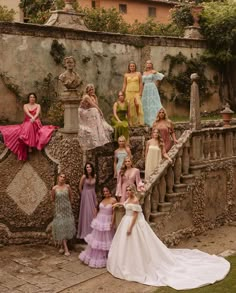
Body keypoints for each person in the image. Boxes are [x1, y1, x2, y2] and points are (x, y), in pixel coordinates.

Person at [107, 184, 230, 290]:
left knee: (138, 245)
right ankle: (126, 264)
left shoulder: (135, 200)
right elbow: (125, 204)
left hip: (132, 224)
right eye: (127, 190)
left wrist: (130, 228)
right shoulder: (128, 199)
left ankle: (138, 266)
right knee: (126, 246)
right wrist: (118, 204)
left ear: (133, 191)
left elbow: (135, 215)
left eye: (129, 190)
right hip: (125, 221)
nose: (128, 191)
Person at [0, 93, 57, 160]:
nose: (32, 98)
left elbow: (37, 113)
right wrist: (32, 118)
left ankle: (26, 140)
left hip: (36, 121)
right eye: (30, 97)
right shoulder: (25, 105)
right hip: (27, 121)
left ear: (35, 98)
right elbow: (27, 113)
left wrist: (33, 118)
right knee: (29, 124)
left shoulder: (38, 105)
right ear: (29, 98)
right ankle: (29, 144)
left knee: (31, 123)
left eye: (33, 97)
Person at [79, 186, 117, 268]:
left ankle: (106, 258)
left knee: (106, 241)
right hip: (100, 220)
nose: (105, 193)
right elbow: (96, 209)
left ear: (110, 191)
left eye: (107, 191)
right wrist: (95, 216)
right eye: (104, 192)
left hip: (107, 221)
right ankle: (94, 258)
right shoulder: (101, 200)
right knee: (97, 241)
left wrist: (112, 222)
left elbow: (114, 213)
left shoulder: (113, 200)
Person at [78, 84, 113, 151]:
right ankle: (98, 132)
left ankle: (100, 133)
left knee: (95, 111)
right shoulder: (86, 96)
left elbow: (96, 105)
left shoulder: (93, 96)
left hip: (90, 111)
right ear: (87, 90)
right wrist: (100, 111)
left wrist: (96, 98)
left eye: (92, 89)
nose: (91, 91)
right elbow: (93, 105)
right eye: (90, 90)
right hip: (83, 112)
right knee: (95, 110)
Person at [51, 173, 76, 256]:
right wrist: (58, 207)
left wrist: (68, 206)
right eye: (61, 176)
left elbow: (71, 198)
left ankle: (61, 246)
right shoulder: (54, 188)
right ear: (58, 178)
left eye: (64, 177)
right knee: (61, 227)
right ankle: (66, 248)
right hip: (59, 210)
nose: (62, 178)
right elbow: (53, 199)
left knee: (66, 227)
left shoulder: (67, 187)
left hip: (67, 210)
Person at [77, 162, 97, 240]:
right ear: (85, 169)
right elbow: (80, 187)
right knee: (87, 214)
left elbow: (94, 187)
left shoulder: (95, 176)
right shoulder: (84, 176)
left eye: (90, 167)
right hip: (85, 196)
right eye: (87, 167)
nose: (88, 168)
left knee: (94, 213)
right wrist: (83, 195)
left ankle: (93, 233)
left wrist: (95, 197)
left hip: (92, 195)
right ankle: (86, 234)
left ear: (92, 168)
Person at [142, 60, 164, 126]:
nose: (148, 64)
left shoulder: (153, 71)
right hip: (145, 88)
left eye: (150, 63)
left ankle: (156, 119)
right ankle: (146, 120)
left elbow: (161, 77)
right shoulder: (144, 73)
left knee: (154, 103)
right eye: (147, 63)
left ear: (151, 65)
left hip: (152, 88)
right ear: (146, 64)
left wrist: (156, 72)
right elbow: (142, 83)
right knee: (146, 103)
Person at [122, 61, 144, 127]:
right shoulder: (126, 75)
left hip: (136, 92)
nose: (132, 67)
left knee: (138, 104)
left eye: (133, 66)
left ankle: (139, 121)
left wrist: (140, 92)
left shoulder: (138, 73)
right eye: (131, 66)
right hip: (128, 92)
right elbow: (124, 84)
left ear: (135, 67)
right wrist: (122, 91)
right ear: (129, 67)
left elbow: (141, 83)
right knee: (130, 107)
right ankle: (131, 123)